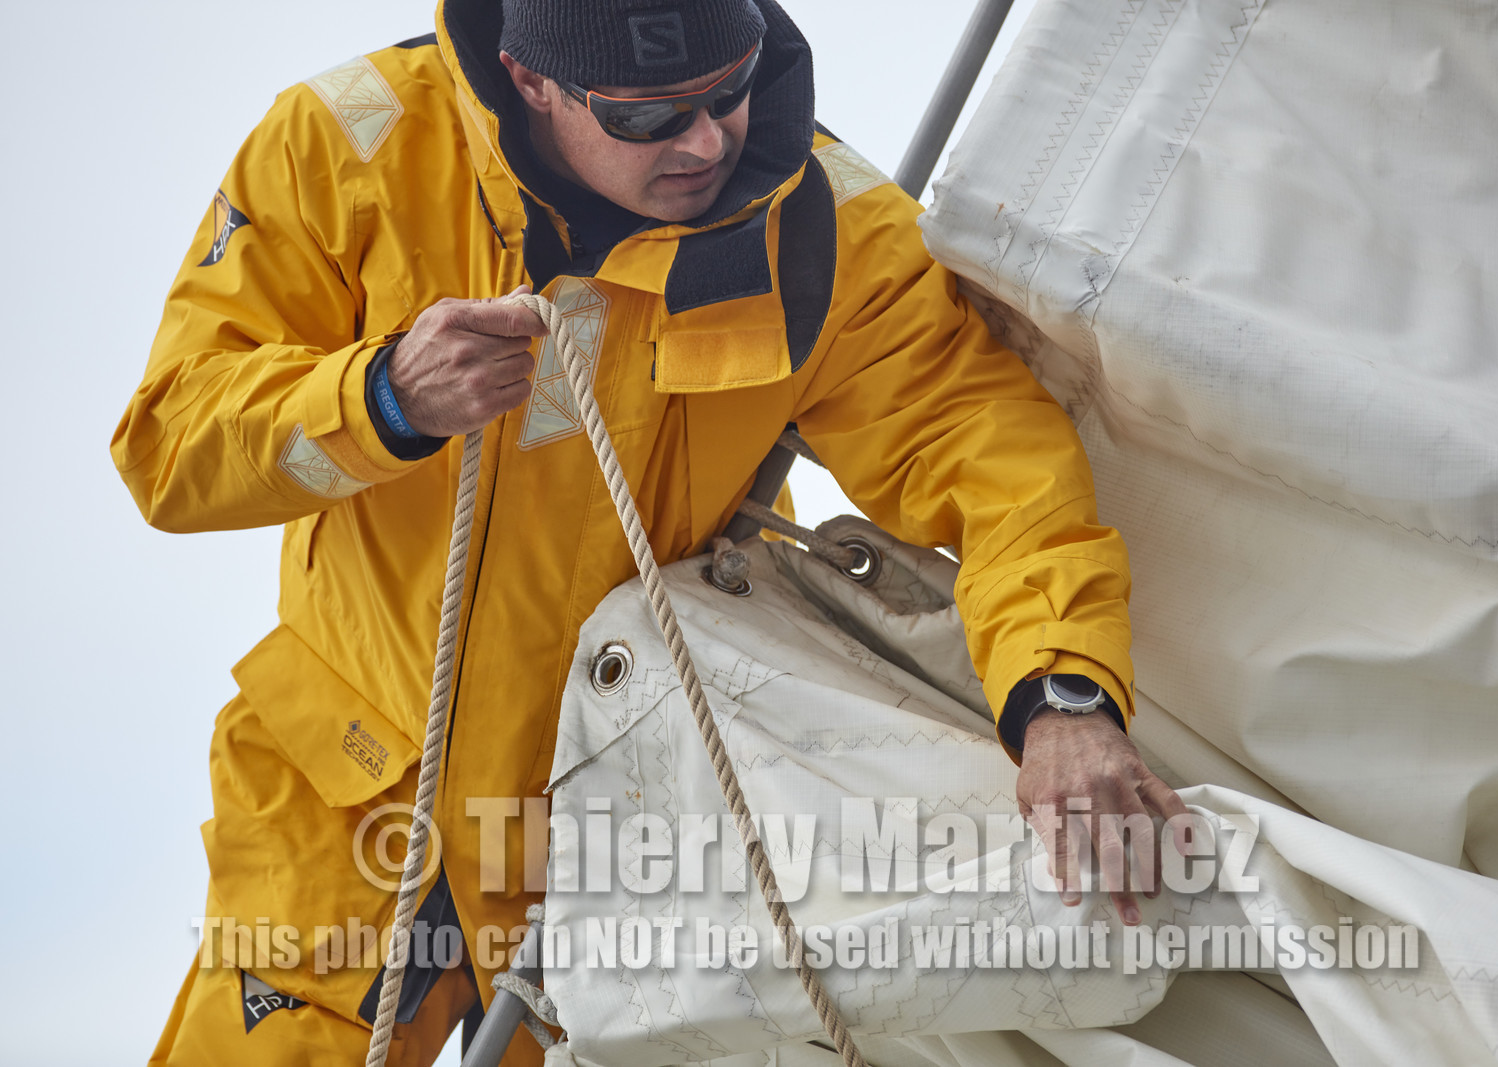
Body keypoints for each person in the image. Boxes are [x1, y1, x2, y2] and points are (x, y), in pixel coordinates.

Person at [112, 0, 1183, 1061]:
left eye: (730, 91)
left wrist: (1063, 700)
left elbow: (999, 467)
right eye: (648, 116)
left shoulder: (824, 230)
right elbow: (170, 448)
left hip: (634, 835)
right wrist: (382, 398)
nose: (706, 142)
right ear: (532, 79)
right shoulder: (349, 145)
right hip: (349, 808)